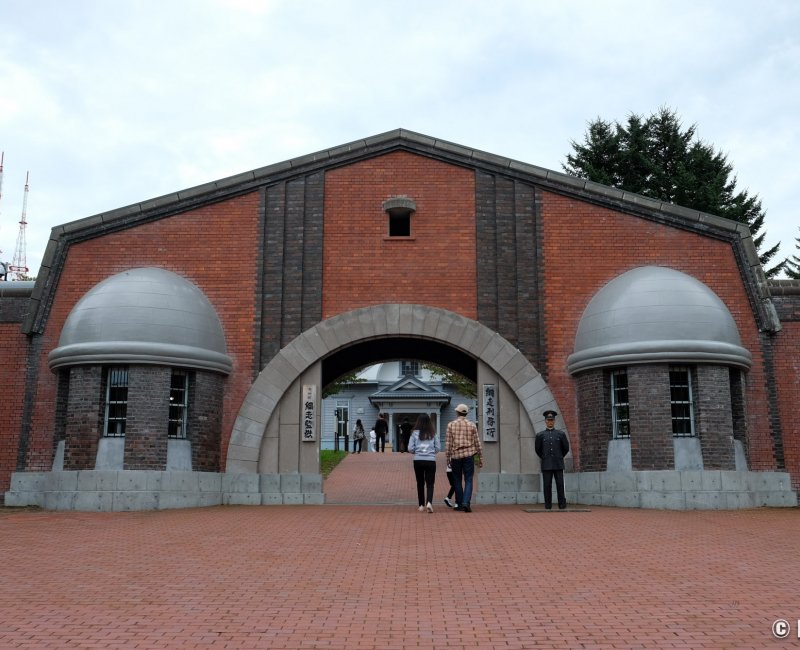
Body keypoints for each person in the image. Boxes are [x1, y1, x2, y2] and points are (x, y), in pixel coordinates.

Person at [445, 403, 482, 513]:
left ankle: (460, 504)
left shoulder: (451, 425)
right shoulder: (472, 425)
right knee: (469, 479)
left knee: (457, 480)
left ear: (457, 412)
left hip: (456, 456)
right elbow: (477, 443)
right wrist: (480, 458)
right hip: (469, 455)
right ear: (466, 413)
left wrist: (448, 458)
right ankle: (466, 502)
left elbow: (448, 443)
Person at [535, 409, 570, 510]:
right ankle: (548, 506)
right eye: (548, 420)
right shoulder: (540, 435)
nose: (550, 422)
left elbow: (566, 448)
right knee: (547, 486)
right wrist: (545, 457)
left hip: (558, 464)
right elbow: (538, 450)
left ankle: (562, 505)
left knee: (560, 485)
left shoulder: (561, 434)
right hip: (546, 464)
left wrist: (559, 456)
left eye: (552, 420)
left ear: (554, 421)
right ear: (545, 421)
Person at [408, 413, 440, 513]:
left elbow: (410, 448)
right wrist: (432, 452)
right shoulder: (433, 433)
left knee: (420, 482)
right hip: (430, 460)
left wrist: (417, 452)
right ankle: (429, 502)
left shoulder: (414, 434)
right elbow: (438, 448)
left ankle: (421, 505)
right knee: (430, 483)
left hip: (418, 460)